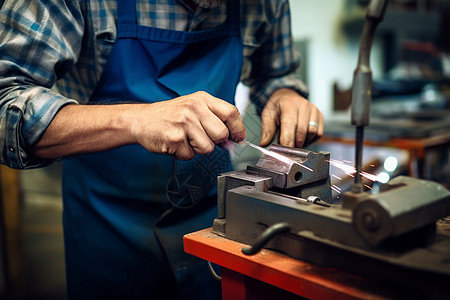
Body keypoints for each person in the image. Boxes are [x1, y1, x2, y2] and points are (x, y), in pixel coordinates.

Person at [0, 0, 324, 299]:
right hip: (106, 226)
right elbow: (5, 109)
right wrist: (136, 119)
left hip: (215, 223)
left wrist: (284, 94)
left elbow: (276, 73)